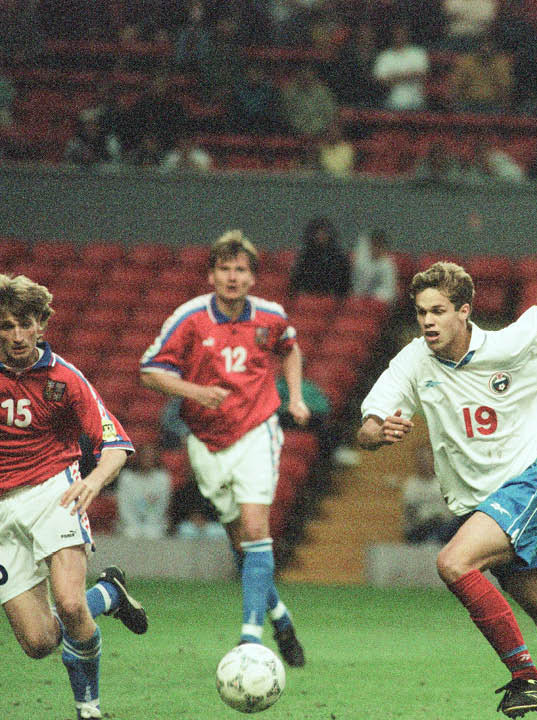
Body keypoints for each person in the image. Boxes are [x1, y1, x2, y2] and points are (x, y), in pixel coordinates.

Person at [356, 262, 537, 720]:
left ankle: (527, 678)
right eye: (421, 312)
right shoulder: (414, 359)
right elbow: (368, 425)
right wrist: (377, 431)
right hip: (484, 511)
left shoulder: (511, 341)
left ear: (464, 311)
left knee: (453, 562)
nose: (427, 321)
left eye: (438, 311)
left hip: (526, 487)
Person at [139, 230, 310, 668]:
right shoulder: (190, 318)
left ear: (253, 277)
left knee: (255, 528)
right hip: (206, 441)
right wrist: (195, 392)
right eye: (224, 269)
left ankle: (250, 638)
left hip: (256, 431)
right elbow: (149, 372)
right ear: (211, 275)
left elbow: (291, 350)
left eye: (241, 270)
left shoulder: (270, 316)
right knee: (242, 543)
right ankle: (280, 617)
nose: (232, 277)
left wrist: (294, 397)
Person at [0, 273, 147, 720]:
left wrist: (93, 480)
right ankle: (109, 594)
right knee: (39, 642)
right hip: (3, 511)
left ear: (41, 325)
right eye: (6, 325)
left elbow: (116, 445)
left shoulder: (65, 379)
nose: (17, 335)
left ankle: (89, 708)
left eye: (26, 324)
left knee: (68, 603)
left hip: (55, 493)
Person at [115, 441, 171, 539]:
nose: (147, 460)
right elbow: (124, 505)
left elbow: (162, 505)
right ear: (138, 458)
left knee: (152, 534)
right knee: (131, 533)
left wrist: (150, 524)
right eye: (145, 457)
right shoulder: (126, 478)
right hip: (129, 524)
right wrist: (134, 525)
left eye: (151, 457)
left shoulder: (162, 478)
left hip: (155, 524)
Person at [289, 216, 351, 297]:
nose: (321, 236)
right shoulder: (305, 257)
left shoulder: (339, 257)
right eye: (318, 233)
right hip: (309, 298)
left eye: (324, 233)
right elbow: (297, 281)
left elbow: (344, 282)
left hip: (332, 297)